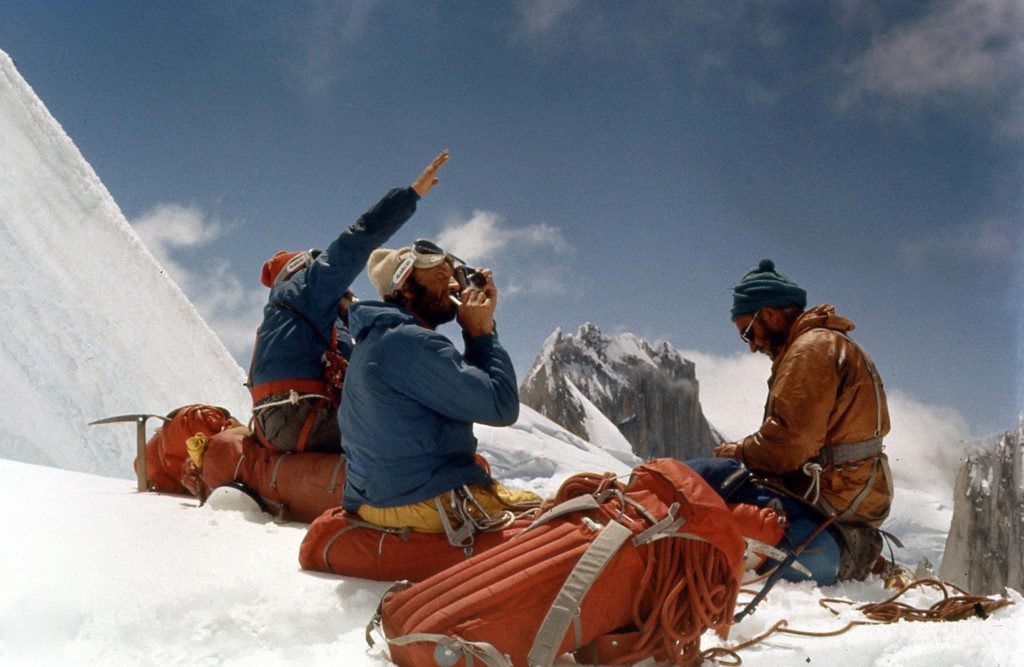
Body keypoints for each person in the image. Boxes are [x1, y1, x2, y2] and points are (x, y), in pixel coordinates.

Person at [246, 151, 449, 453]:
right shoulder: (309, 287)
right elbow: (356, 240)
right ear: (304, 266)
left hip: (274, 421)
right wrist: (410, 195)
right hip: (304, 414)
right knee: (417, 431)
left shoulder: (284, 320)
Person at [707, 258, 894, 582]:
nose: (751, 346)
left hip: (834, 490)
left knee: (712, 491)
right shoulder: (824, 343)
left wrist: (739, 453)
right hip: (852, 486)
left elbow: (788, 447)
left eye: (747, 332)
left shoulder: (810, 351)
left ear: (770, 315)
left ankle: (834, 553)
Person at [339, 238, 539, 540]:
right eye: (441, 278)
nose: (455, 288)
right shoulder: (410, 342)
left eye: (453, 278)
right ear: (406, 288)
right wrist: (482, 332)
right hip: (421, 500)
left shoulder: (378, 337)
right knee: (557, 509)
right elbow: (501, 406)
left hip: (382, 497)